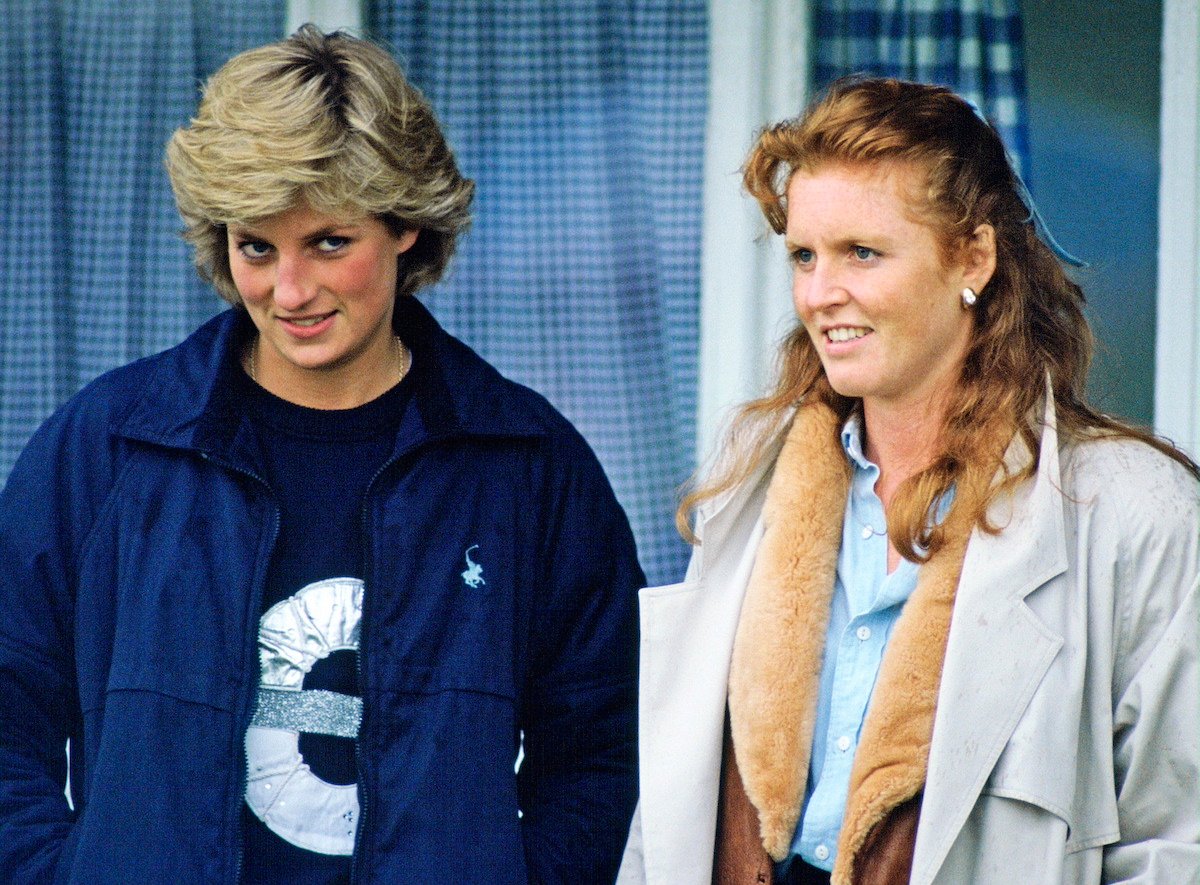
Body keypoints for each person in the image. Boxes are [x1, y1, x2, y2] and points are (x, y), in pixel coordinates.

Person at [0, 26, 642, 884]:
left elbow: (605, 748)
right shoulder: (107, 449)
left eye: (329, 243)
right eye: (256, 246)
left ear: (405, 226)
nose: (290, 291)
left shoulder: (528, 466)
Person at [619, 77, 1200, 885]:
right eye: (804, 255)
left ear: (973, 257)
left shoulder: (1135, 510)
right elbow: (672, 817)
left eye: (862, 252)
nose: (821, 295)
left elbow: (1179, 845)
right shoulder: (750, 483)